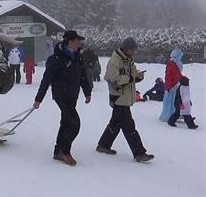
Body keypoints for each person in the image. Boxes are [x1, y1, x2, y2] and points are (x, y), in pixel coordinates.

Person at [33, 30, 92, 166]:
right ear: (70, 42)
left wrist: (87, 92)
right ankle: (64, 151)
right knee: (74, 123)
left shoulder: (78, 57)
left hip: (73, 94)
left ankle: (58, 151)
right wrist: (38, 99)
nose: (80, 43)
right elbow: (46, 79)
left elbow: (83, 76)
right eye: (77, 41)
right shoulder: (56, 59)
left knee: (66, 122)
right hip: (61, 95)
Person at [96, 37, 154, 162]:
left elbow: (131, 77)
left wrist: (138, 76)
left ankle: (103, 145)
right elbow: (112, 79)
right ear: (125, 48)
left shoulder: (129, 59)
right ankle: (139, 153)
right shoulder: (114, 61)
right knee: (129, 127)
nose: (133, 52)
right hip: (119, 98)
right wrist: (131, 76)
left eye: (134, 50)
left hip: (125, 98)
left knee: (115, 124)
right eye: (132, 50)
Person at [159, 48, 183, 122]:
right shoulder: (171, 63)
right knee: (172, 101)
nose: (181, 55)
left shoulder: (177, 62)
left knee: (176, 100)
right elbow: (168, 75)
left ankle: (176, 114)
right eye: (180, 54)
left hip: (177, 84)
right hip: (172, 86)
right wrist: (168, 86)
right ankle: (168, 115)